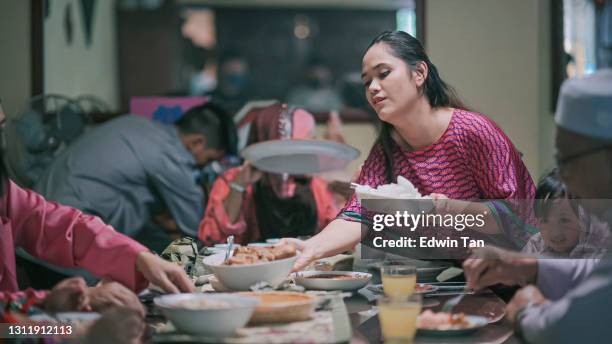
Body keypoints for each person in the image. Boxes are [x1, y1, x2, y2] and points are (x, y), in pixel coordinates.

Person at [281, 30, 535, 270]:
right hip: (463, 276)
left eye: (384, 73)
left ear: (419, 73)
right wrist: (310, 248)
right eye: (367, 80)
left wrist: (451, 209)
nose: (372, 87)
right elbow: (358, 214)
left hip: (520, 271)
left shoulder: (473, 131)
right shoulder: (388, 148)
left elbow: (515, 214)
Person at [0, 101, 194, 301]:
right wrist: (51, 304)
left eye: (1, 128)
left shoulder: (6, 194)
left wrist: (138, 256)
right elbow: (10, 325)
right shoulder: (160, 143)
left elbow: (61, 226)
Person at [34, 102, 236, 247]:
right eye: (208, 160)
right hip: (64, 241)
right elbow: (200, 231)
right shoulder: (172, 156)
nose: (203, 168)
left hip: (37, 223)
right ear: (197, 142)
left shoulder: (137, 123)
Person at [198, 103, 339, 245]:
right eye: (302, 145)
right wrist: (239, 186)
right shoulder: (232, 180)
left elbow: (337, 235)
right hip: (250, 264)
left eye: (312, 141)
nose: (311, 153)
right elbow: (214, 240)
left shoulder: (316, 184)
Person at [522, 169, 609, 257]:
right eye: (544, 220)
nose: (555, 233)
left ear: (584, 217)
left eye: (564, 220)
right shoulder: (536, 245)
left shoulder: (599, 242)